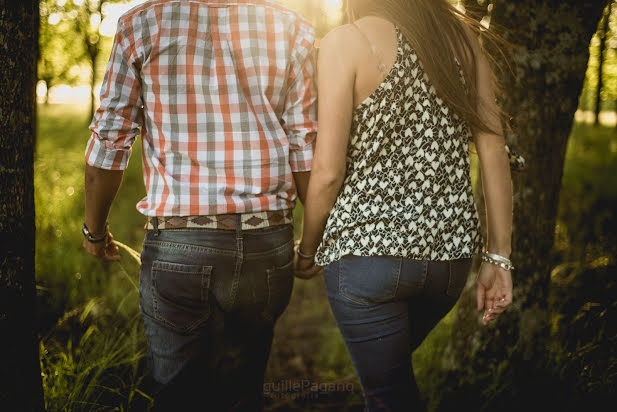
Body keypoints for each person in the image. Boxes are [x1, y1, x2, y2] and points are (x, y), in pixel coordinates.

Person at [81, 0, 317, 410]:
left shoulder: (139, 25)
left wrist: (95, 232)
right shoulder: (291, 28)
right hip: (266, 242)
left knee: (177, 394)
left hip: (178, 243)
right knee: (243, 389)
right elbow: (305, 147)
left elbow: (109, 143)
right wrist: (314, 239)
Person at [294, 0, 514, 410]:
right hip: (447, 261)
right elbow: (493, 147)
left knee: (388, 395)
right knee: (389, 385)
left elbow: (327, 173)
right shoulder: (462, 38)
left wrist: (309, 249)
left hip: (366, 257)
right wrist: (498, 257)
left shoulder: (346, 41)